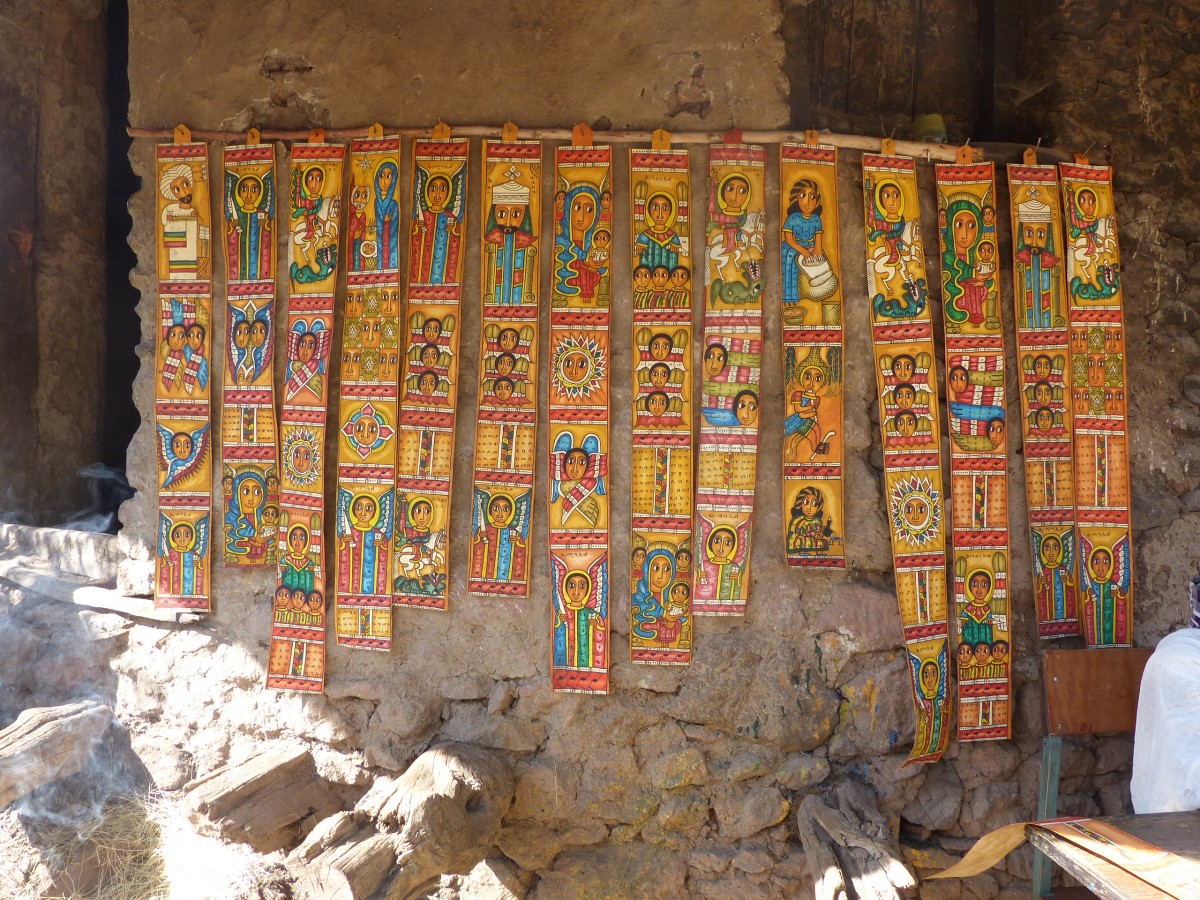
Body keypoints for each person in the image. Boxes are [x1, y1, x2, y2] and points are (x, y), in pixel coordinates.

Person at [484, 174, 536, 305]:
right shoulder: (493, 240)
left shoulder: (525, 241)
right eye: (501, 214)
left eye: (516, 214)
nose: (508, 222)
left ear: (525, 216)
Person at [159, 162, 210, 281]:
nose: (184, 192)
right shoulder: (170, 209)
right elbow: (164, 220)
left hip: (192, 252)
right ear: (173, 194)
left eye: (185, 185)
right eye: (177, 189)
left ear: (191, 186)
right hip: (177, 254)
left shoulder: (196, 211)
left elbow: (205, 228)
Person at [410, 172, 462, 284]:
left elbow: (456, 239)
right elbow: (414, 238)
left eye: (442, 189)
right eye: (433, 189)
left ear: (448, 193)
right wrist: (418, 228)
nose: (437, 195)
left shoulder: (450, 217)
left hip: (443, 263)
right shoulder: (422, 216)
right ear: (427, 191)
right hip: (424, 263)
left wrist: (453, 230)